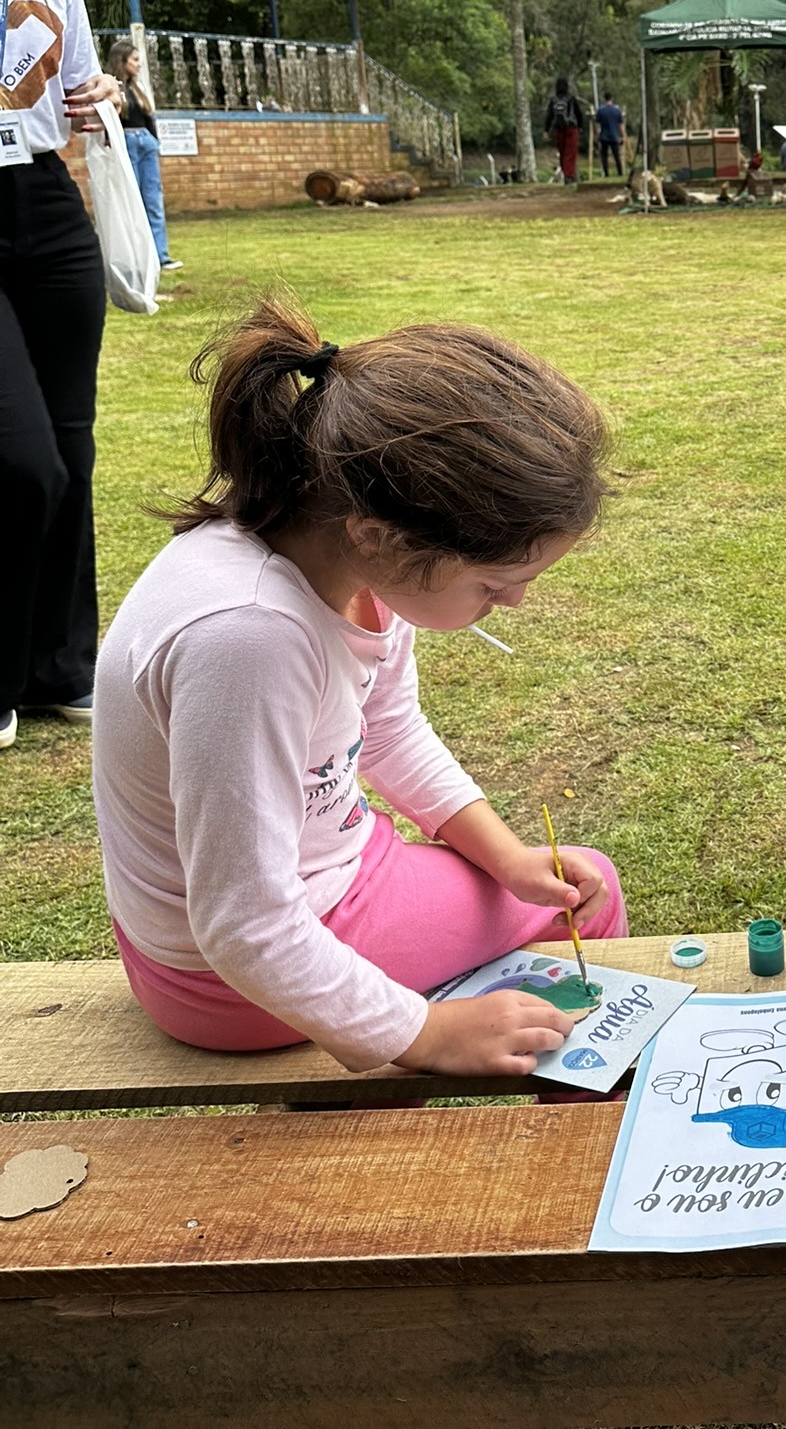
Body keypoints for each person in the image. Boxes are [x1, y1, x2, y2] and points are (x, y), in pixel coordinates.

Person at [92, 297, 628, 1072]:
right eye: (496, 582)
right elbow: (246, 927)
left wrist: (506, 855)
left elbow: (388, 730)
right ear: (380, 534)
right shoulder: (249, 637)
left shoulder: (352, 553)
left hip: (307, 893)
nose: (514, 603)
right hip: (227, 982)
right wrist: (427, 1037)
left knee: (553, 883)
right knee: (594, 891)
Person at [0, 0, 121, 754]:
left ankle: (59, 667)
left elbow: (80, 87)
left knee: (72, 453)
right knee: (18, 456)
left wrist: (106, 101)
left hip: (48, 200)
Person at [105, 38, 179, 274]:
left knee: (153, 200)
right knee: (132, 201)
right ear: (122, 60)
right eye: (135, 60)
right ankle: (138, 258)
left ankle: (161, 255)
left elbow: (149, 117)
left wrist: (155, 141)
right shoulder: (111, 88)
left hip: (145, 143)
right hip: (126, 142)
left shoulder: (138, 88)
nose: (139, 65)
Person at [543, 75, 585, 184]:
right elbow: (578, 113)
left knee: (562, 152)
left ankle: (566, 173)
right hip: (571, 128)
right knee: (570, 152)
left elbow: (549, 115)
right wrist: (580, 126)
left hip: (558, 129)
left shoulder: (553, 99)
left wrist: (546, 130)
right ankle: (568, 175)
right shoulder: (571, 98)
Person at [593, 91, 626, 179]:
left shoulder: (600, 110)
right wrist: (622, 136)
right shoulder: (617, 110)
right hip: (614, 136)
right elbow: (621, 125)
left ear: (604, 99)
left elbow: (596, 124)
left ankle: (606, 174)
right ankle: (620, 173)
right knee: (617, 156)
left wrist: (596, 136)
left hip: (604, 136)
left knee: (604, 156)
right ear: (612, 99)